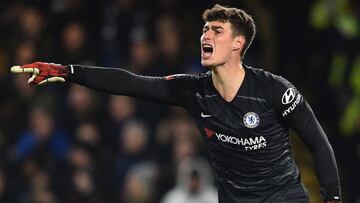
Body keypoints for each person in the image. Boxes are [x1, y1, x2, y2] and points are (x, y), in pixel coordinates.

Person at [11, 4, 341, 203]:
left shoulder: (274, 91)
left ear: (238, 43)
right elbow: (132, 83)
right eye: (204, 30)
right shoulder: (193, 92)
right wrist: (68, 71)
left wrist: (332, 198)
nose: (205, 36)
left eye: (216, 30)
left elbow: (318, 144)